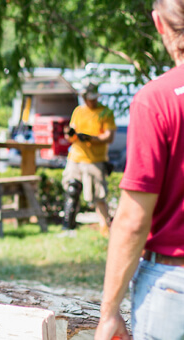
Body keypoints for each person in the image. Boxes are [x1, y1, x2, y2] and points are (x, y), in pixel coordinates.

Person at [95, 1, 184, 339]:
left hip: (173, 285)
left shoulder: (157, 99)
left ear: (159, 24)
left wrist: (109, 312)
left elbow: (133, 221)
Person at [60, 83, 116, 237]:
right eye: (89, 98)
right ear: (83, 98)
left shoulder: (105, 112)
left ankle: (106, 228)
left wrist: (91, 138)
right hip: (76, 157)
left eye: (94, 98)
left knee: (98, 196)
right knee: (72, 190)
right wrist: (70, 134)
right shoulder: (78, 111)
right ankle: (68, 227)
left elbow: (109, 137)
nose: (92, 101)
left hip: (95, 160)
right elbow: (70, 136)